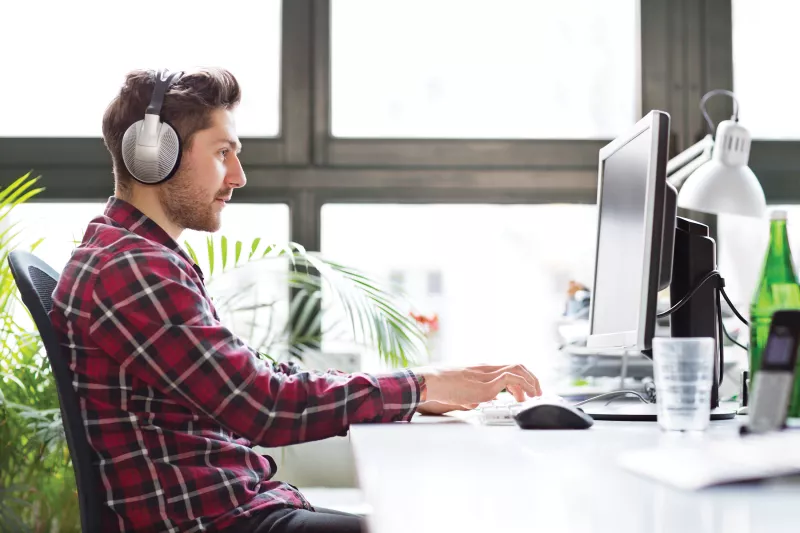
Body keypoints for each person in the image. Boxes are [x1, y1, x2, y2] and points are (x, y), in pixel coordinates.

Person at [49, 67, 542, 533]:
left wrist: (419, 390)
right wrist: (417, 385)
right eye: (223, 152)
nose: (238, 176)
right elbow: (263, 407)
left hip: (236, 507)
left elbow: (261, 377)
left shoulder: (137, 256)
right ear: (155, 155)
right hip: (220, 521)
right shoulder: (132, 270)